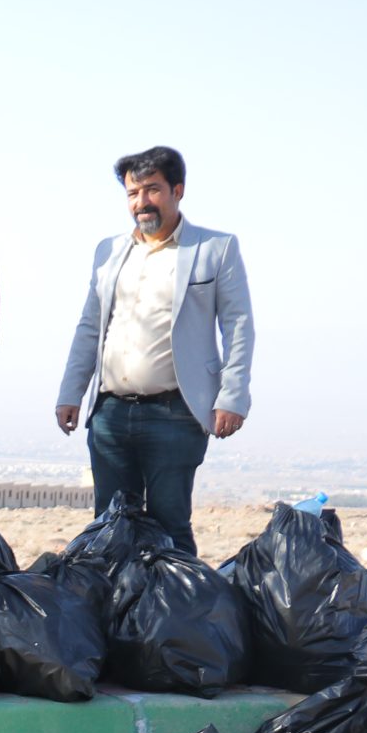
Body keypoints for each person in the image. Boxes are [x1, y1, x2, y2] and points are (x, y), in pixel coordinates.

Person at [54, 146, 254, 556]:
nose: (141, 202)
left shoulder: (215, 248)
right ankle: (113, 616)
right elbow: (90, 326)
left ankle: (179, 618)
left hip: (175, 414)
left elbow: (238, 326)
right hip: (110, 413)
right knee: (110, 528)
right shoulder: (109, 252)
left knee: (170, 527)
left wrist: (232, 396)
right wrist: (70, 392)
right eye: (132, 193)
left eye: (152, 190)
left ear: (177, 190)